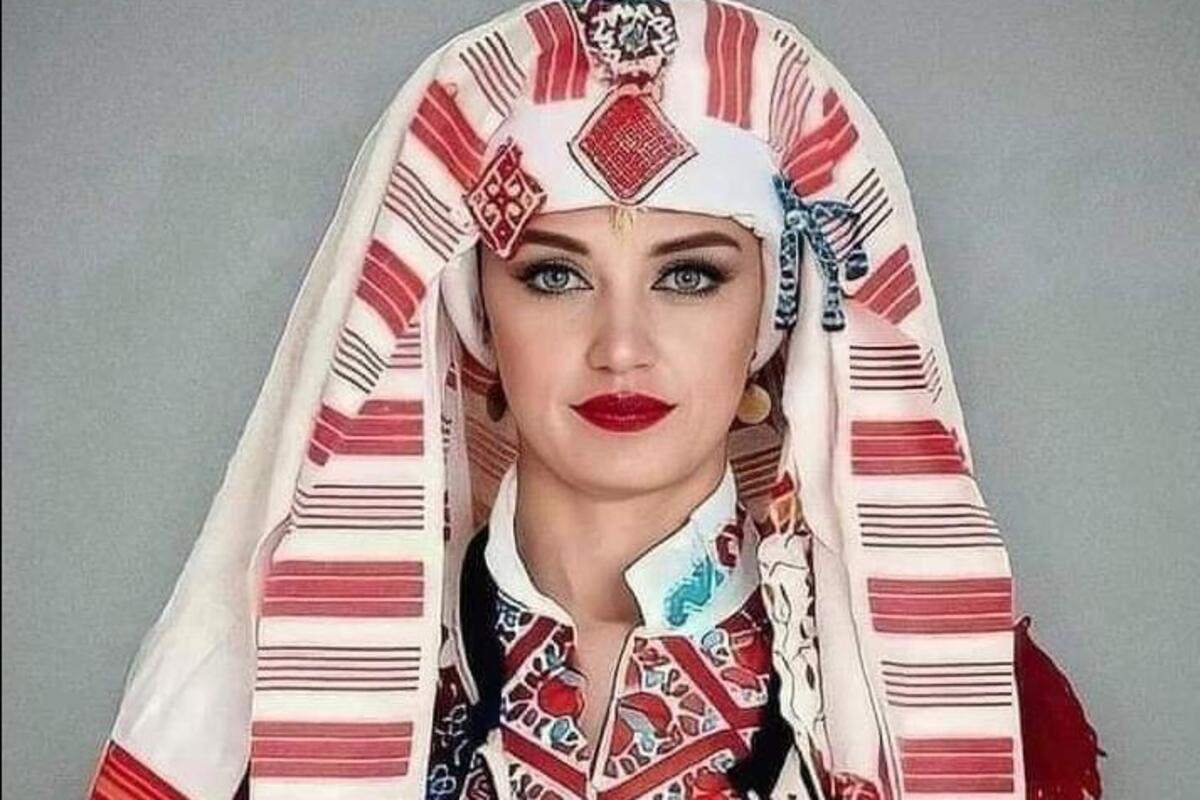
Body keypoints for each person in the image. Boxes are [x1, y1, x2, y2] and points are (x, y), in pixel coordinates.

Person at [88, 2, 1104, 798]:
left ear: (768, 322)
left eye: (691, 276)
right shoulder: (286, 716)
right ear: (479, 317)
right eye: (554, 276)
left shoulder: (936, 711)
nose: (622, 345)